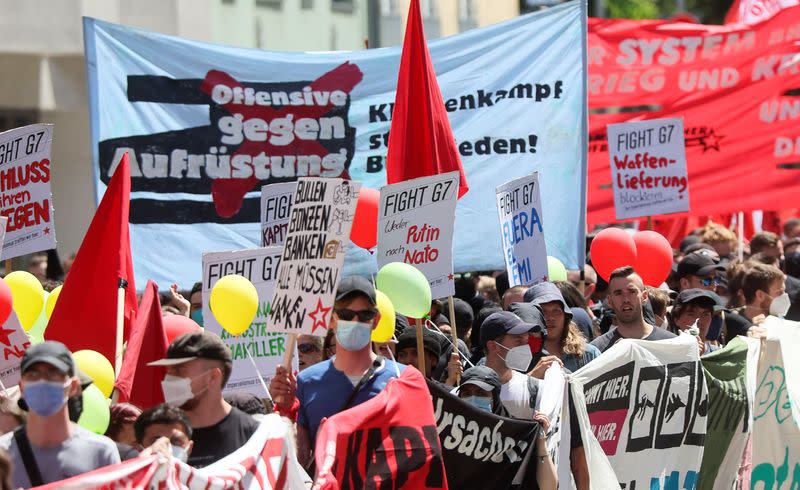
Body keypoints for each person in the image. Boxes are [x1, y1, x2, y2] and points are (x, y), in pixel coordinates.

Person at [269, 276, 404, 467]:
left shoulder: (402, 378)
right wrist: (285, 411)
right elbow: (299, 463)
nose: (355, 321)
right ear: (332, 319)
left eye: (364, 315)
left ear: (376, 320)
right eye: (347, 315)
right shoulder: (306, 383)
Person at [0, 342, 119, 487]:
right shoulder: (2, 453)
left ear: (73, 386)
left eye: (53, 373)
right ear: (22, 387)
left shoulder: (101, 452)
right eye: (33, 374)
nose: (42, 381)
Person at [148, 331, 258, 468]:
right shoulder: (157, 435)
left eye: (179, 371)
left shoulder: (251, 435)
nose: (169, 380)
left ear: (213, 377)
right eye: (169, 372)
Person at [591, 266, 677, 353]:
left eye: (632, 292)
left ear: (644, 296)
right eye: (618, 293)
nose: (626, 299)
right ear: (609, 301)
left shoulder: (670, 344)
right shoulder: (597, 351)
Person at [480, 311, 542, 420]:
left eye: (526, 341)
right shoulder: (469, 391)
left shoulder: (535, 389)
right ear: (493, 346)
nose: (525, 347)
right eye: (518, 341)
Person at [525, 283, 600, 373]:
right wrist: (533, 376)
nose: (550, 318)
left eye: (556, 311)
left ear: (566, 317)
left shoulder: (589, 355)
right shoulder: (517, 357)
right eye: (542, 312)